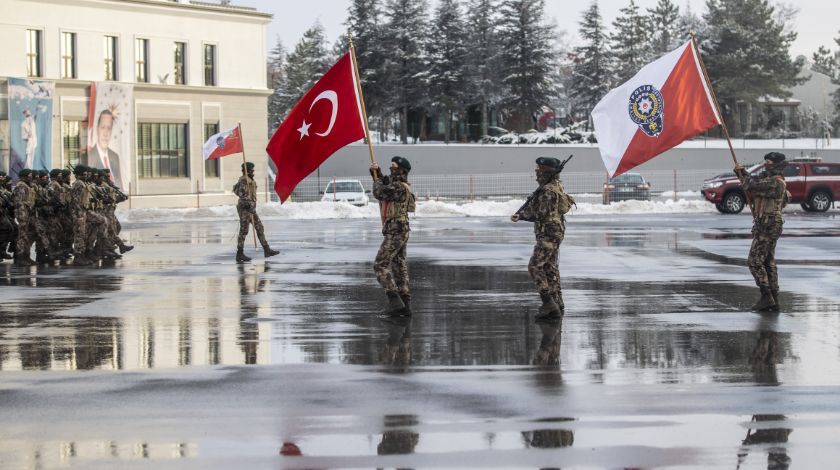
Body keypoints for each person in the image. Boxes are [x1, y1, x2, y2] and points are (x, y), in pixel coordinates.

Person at [511, 157, 574, 321]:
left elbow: (541, 213)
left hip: (548, 233)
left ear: (546, 171)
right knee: (550, 268)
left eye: (539, 170)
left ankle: (548, 303)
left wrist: (522, 216)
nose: (537, 173)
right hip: (554, 232)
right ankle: (557, 303)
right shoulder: (553, 186)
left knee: (535, 266)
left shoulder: (547, 191)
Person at [734, 152, 789, 312]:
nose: (766, 165)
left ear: (777, 164)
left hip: (768, 226)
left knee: (754, 261)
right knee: (767, 261)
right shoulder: (772, 180)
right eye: (765, 162)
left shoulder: (776, 182)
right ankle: (773, 298)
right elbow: (755, 182)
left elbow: (752, 185)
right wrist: (742, 172)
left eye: (769, 162)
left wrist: (741, 174)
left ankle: (767, 297)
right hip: (768, 225)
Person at [370, 156, 416, 316]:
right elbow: (386, 184)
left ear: (401, 171)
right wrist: (377, 174)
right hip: (401, 229)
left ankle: (394, 301)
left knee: (380, 264)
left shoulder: (399, 187)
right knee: (398, 266)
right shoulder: (400, 185)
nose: (391, 169)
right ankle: (405, 304)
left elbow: (380, 192)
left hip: (396, 229)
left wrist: (376, 180)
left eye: (393, 167)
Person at [233, 162, 279, 263]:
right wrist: (249, 204)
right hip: (245, 209)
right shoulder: (244, 180)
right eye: (252, 169)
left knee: (259, 227)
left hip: (251, 210)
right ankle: (239, 254)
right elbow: (242, 194)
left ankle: (267, 250)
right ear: (248, 170)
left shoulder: (249, 179)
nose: (253, 171)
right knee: (244, 231)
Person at [89, 110, 122, 188]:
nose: (105, 133)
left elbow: (119, 182)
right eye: (103, 127)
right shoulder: (89, 156)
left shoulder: (115, 157)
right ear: (97, 129)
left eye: (109, 128)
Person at [13, 169, 37, 266]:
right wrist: (23, 216)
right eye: (29, 176)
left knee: (28, 235)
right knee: (22, 236)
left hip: (28, 213)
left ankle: (26, 256)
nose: (31, 177)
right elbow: (20, 202)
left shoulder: (28, 186)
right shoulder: (21, 186)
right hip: (23, 213)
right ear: (23, 176)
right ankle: (20, 257)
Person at [0, 172, 18, 261]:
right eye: (1, 177)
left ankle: (4, 250)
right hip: (3, 213)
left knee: (12, 229)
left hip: (5, 213)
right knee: (8, 229)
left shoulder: (3, 189)